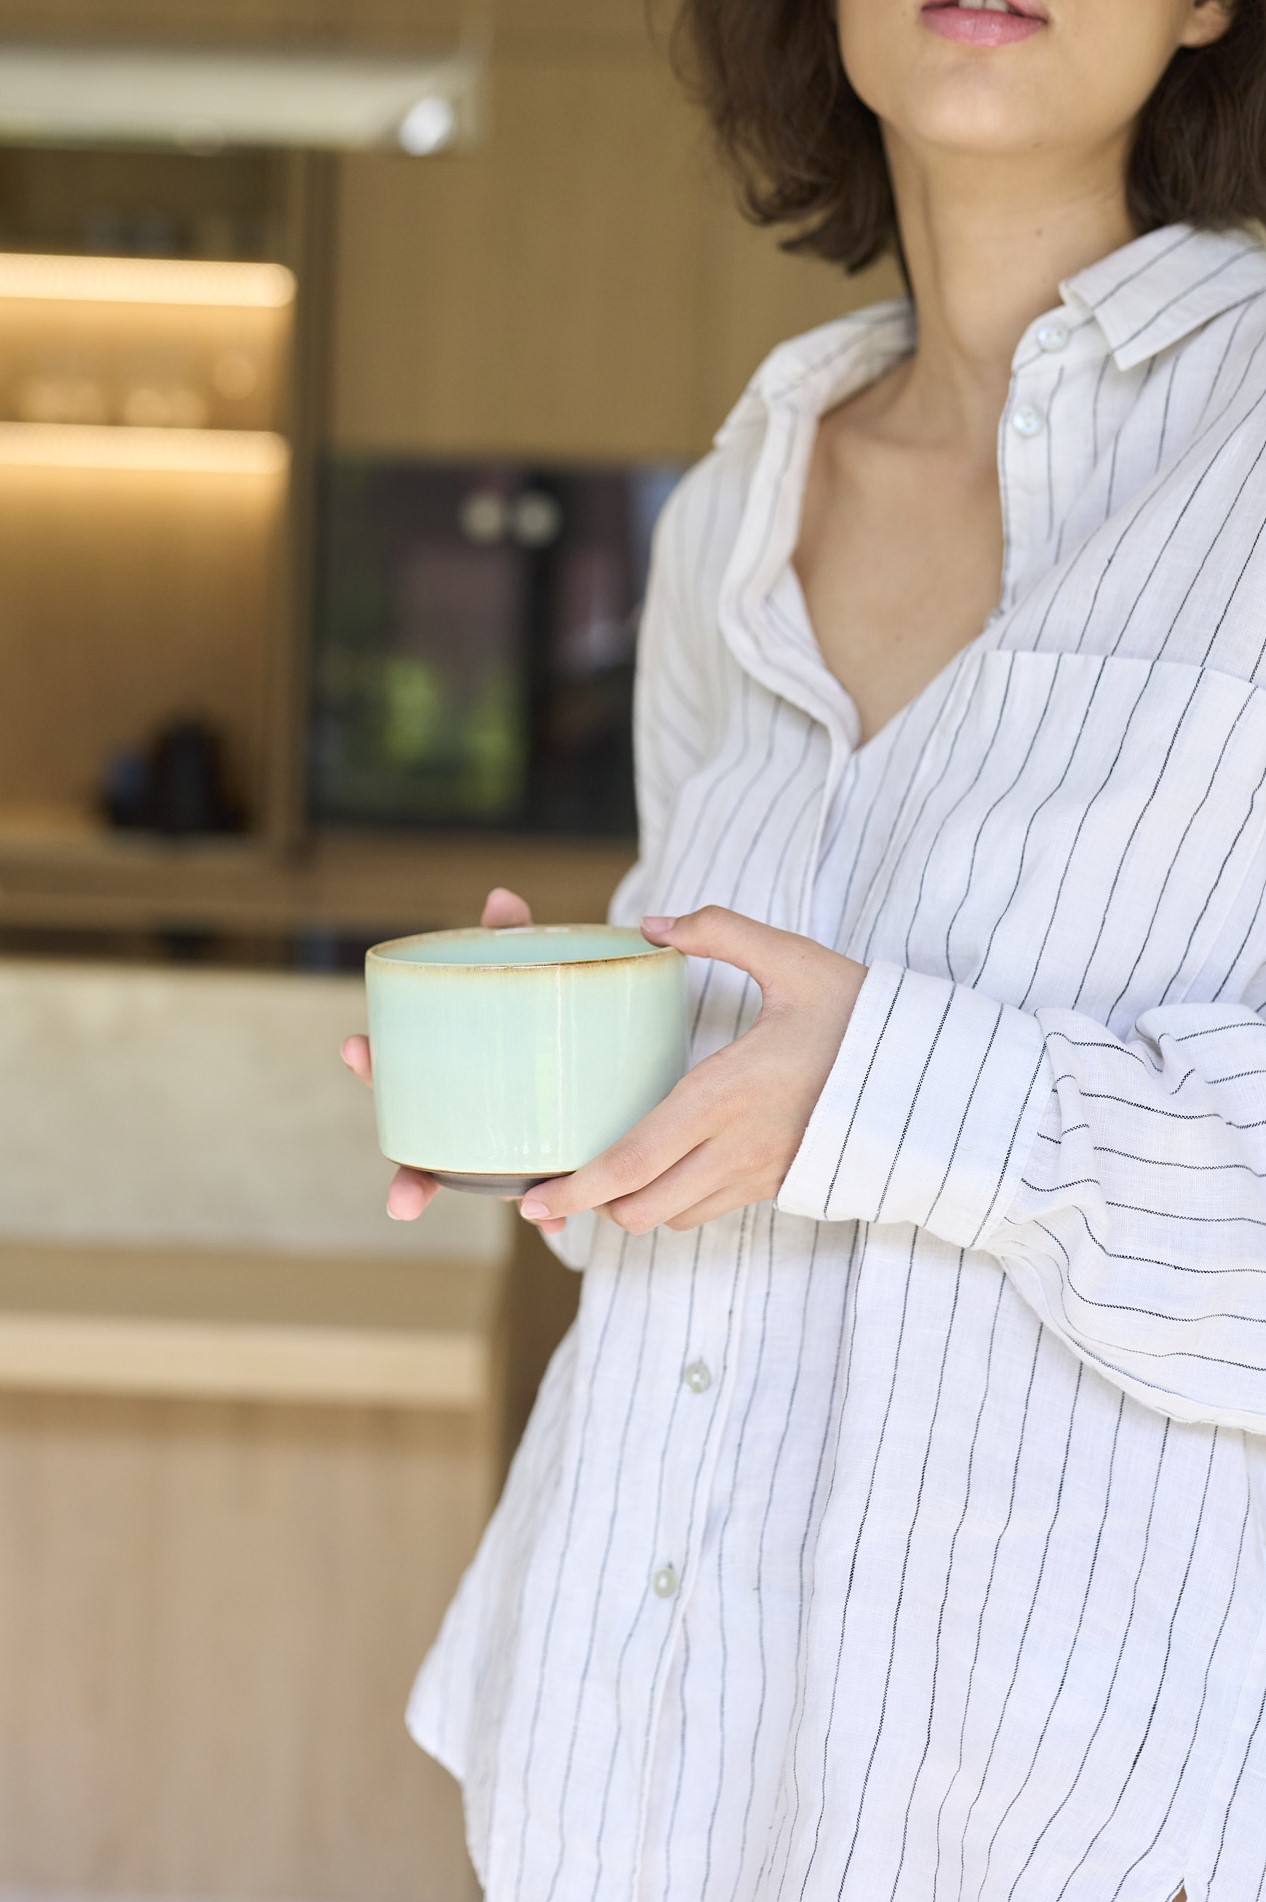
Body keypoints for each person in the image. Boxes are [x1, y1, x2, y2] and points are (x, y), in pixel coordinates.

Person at [343, 0, 1266, 1894]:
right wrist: (589, 1095)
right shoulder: (738, 502)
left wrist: (893, 1089)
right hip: (617, 1788)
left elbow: (874, 1108)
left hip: (1073, 1827)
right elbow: (728, 1135)